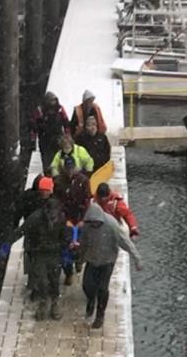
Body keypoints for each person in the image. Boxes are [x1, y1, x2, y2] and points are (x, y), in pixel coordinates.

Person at [79, 198, 142, 329]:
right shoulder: (86, 226)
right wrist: (80, 258)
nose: (94, 225)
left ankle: (100, 315)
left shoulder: (112, 225)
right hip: (92, 259)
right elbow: (83, 243)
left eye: (96, 223)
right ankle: (91, 301)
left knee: (102, 288)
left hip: (107, 261)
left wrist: (137, 259)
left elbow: (126, 242)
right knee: (87, 285)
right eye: (92, 223)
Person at [11, 177, 66, 321]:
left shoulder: (60, 218)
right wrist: (6, 244)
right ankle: (43, 303)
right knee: (41, 280)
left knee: (54, 280)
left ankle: (54, 303)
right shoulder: (36, 217)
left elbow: (65, 236)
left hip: (54, 252)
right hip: (39, 252)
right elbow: (21, 231)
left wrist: (67, 251)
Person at [29, 91, 70, 172]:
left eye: (54, 100)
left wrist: (68, 136)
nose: (53, 103)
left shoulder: (60, 109)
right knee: (47, 162)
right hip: (45, 140)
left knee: (60, 160)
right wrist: (33, 139)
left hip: (58, 138)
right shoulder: (40, 111)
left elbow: (66, 123)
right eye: (51, 100)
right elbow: (33, 125)